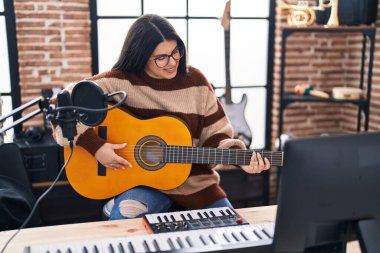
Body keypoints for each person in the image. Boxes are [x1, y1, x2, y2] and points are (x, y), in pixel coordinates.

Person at [53, 14, 271, 220]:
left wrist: (241, 160)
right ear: (140, 56)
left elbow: (216, 136)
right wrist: (96, 147)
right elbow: (61, 107)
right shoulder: (118, 82)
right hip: (143, 187)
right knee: (125, 225)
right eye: (161, 57)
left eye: (176, 51)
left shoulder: (196, 81)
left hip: (197, 186)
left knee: (233, 233)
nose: (173, 62)